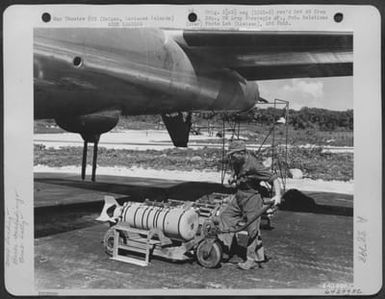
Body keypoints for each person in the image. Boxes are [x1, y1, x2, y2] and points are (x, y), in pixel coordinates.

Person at [219, 140, 282, 270]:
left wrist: (278, 195)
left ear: (242, 153)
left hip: (252, 198)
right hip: (239, 195)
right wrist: (233, 177)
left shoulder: (254, 165)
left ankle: (252, 259)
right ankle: (227, 247)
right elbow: (236, 171)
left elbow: (274, 178)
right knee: (225, 216)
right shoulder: (236, 160)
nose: (231, 157)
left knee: (252, 230)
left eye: (233, 154)